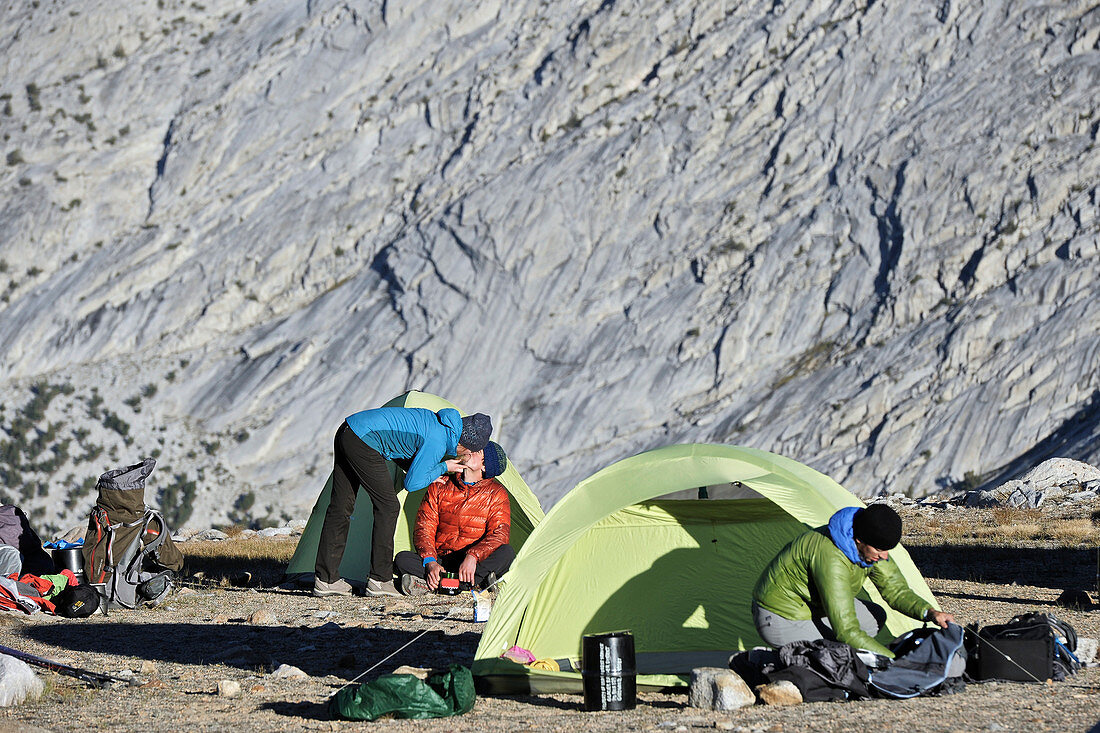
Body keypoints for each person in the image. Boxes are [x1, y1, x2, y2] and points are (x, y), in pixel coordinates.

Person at [313, 406, 493, 597]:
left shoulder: (439, 424)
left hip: (348, 429)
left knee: (341, 506)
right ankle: (380, 580)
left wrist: (429, 472)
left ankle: (326, 579)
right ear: (466, 445)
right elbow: (411, 484)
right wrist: (443, 467)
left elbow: (404, 449)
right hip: (364, 441)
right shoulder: (438, 440)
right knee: (388, 507)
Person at [752, 503, 954, 658]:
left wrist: (930, 612)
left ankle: (834, 657)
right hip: (780, 617)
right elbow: (846, 630)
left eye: (887, 551)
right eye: (879, 550)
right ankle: (794, 663)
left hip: (814, 607)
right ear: (859, 540)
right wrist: (892, 660)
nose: (884, 557)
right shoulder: (830, 556)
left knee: (874, 617)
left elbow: (897, 591)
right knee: (840, 642)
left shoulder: (870, 544)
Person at [394, 441, 515, 595]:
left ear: (485, 466)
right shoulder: (440, 485)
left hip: (472, 564)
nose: (471, 450)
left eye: (478, 451)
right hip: (443, 561)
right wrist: (430, 561)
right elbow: (424, 527)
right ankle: (471, 583)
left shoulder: (496, 493)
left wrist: (473, 556)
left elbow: (499, 535)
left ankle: (437, 585)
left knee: (507, 553)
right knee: (402, 559)